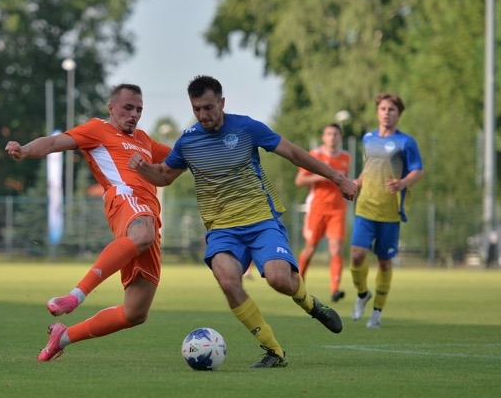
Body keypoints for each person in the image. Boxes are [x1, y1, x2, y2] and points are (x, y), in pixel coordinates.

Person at [130, 75, 357, 368]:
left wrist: (337, 177)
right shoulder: (188, 141)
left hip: (261, 221)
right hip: (222, 229)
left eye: (208, 107)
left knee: (279, 280)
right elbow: (164, 176)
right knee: (228, 281)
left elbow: (293, 153)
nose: (203, 115)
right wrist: (144, 169)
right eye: (197, 109)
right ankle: (274, 351)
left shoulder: (247, 127)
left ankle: (309, 303)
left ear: (222, 103)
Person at [5, 83, 171, 362]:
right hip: (125, 200)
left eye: (139, 109)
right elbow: (55, 142)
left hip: (149, 215)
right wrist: (25, 149)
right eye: (128, 108)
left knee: (135, 313)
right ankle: (74, 297)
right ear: (111, 108)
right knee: (142, 233)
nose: (134, 114)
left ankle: (63, 337)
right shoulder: (98, 129)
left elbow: (181, 157)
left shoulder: (144, 140)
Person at [350, 92, 423, 328]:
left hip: (390, 211)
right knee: (357, 255)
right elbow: (369, 167)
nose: (387, 113)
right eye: (383, 109)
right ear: (377, 112)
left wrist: (402, 183)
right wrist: (356, 183)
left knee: (383, 262)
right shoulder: (368, 138)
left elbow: (417, 171)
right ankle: (362, 295)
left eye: (391, 109)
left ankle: (377, 312)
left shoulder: (406, 142)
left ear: (398, 114)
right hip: (365, 207)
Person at [294, 123, 351, 302]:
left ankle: (335, 289)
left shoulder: (346, 158)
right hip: (317, 207)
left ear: (340, 137)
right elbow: (300, 179)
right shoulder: (315, 155)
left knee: (336, 248)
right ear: (323, 137)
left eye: (335, 134)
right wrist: (322, 174)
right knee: (310, 247)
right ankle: (298, 283)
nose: (332, 137)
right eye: (329, 134)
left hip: (337, 208)